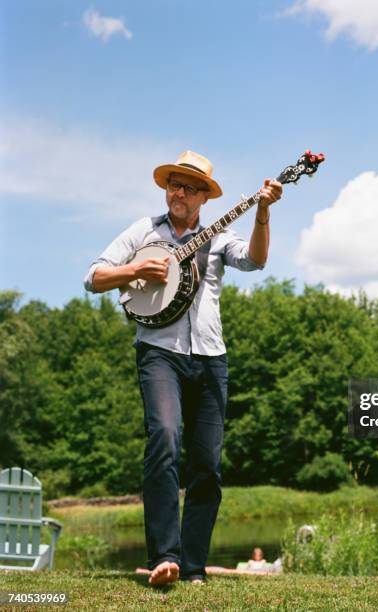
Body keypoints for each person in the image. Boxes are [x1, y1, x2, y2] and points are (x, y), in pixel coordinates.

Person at [84, 150, 282, 585]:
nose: (180, 192)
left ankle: (192, 566)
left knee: (207, 464)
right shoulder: (144, 230)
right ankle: (164, 558)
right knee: (166, 438)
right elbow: (93, 276)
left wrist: (262, 214)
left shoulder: (218, 237)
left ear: (204, 198)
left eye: (190, 187)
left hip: (211, 358)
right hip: (158, 352)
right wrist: (135, 268)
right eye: (175, 183)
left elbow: (256, 260)